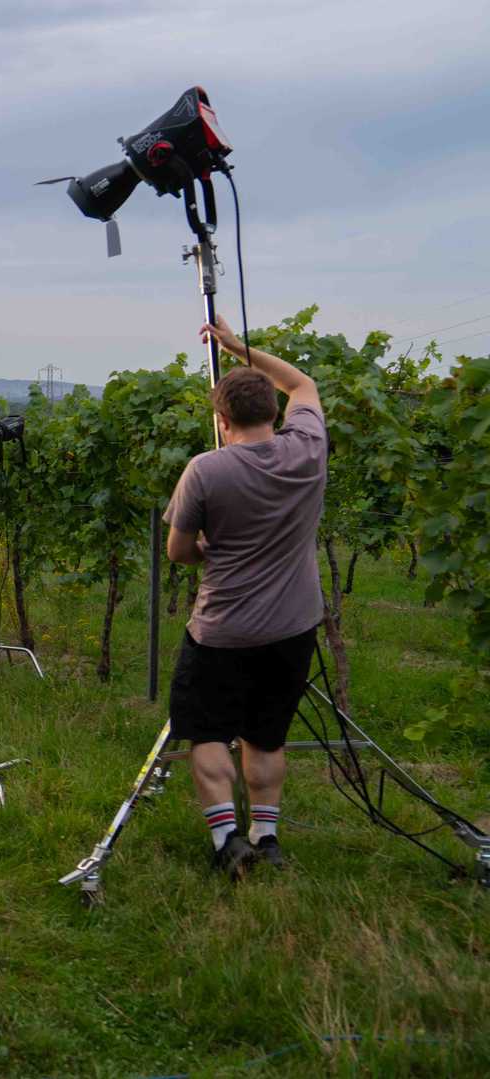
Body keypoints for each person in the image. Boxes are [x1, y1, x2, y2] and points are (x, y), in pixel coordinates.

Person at [164, 317, 326, 879]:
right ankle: (268, 834)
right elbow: (304, 384)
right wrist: (239, 348)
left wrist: (207, 548)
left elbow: (178, 551)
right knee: (266, 732)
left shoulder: (205, 470)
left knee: (205, 730)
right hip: (293, 626)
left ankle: (226, 840)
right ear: (276, 413)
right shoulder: (308, 448)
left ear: (221, 420)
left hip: (224, 629)